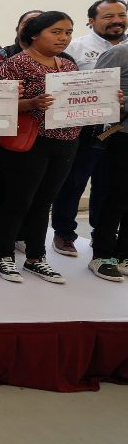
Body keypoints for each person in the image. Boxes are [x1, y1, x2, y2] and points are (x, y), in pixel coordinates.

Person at [0, 11, 99, 284]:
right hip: (32, 141)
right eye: (56, 31)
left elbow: (80, 101)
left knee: (43, 202)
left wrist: (104, 99)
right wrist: (30, 103)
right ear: (35, 35)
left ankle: (35, 258)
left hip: (67, 141)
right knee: (19, 200)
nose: (64, 38)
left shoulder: (68, 65)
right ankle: (4, 256)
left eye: (68, 32)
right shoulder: (16, 63)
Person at [49, 0, 127, 257]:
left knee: (109, 185)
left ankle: (100, 234)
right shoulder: (76, 47)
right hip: (85, 128)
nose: (117, 21)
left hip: (120, 131)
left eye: (121, 15)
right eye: (108, 16)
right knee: (73, 182)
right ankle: (64, 233)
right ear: (91, 21)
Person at [89, 42, 128, 281]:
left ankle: (124, 254)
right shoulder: (120, 52)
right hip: (121, 135)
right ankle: (102, 254)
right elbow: (95, 93)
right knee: (116, 196)